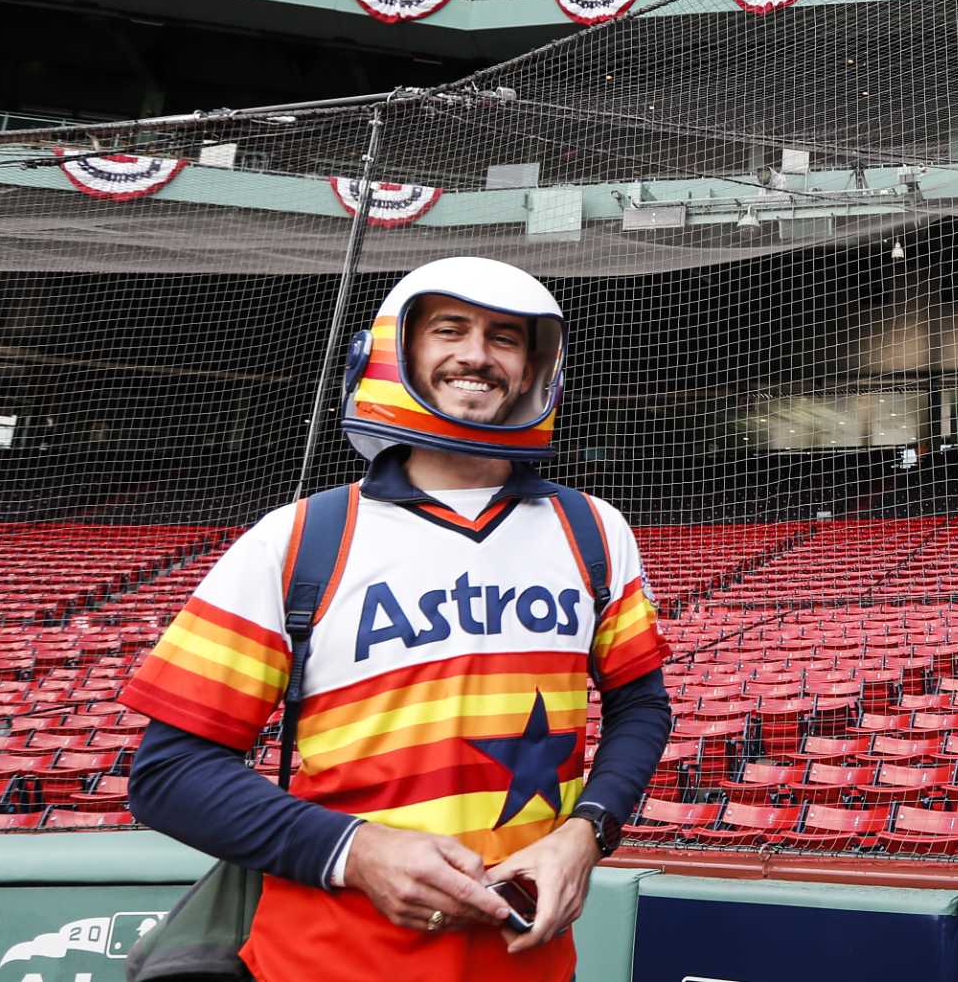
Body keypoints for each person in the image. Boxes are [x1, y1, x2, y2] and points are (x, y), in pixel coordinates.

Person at [124, 256, 673, 982]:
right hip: (319, 964)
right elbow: (169, 773)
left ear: (538, 368)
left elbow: (641, 706)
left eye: (505, 338)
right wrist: (357, 850)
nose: (477, 354)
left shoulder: (595, 531)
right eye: (451, 330)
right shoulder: (297, 539)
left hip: (528, 967)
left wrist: (587, 831)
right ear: (397, 351)